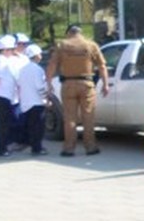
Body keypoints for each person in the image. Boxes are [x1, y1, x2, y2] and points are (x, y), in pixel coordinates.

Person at [46, 24, 109, 157]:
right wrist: (105, 84)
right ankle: (90, 148)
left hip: (68, 84)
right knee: (88, 117)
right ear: (81, 33)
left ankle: (68, 149)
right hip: (86, 84)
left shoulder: (62, 45)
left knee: (70, 118)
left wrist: (49, 82)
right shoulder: (91, 45)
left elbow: (52, 64)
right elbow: (102, 66)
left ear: (69, 33)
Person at [16, 43, 48, 155]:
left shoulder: (22, 69)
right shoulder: (37, 70)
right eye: (39, 54)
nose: (41, 56)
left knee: (31, 126)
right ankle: (37, 148)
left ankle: (34, 146)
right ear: (36, 55)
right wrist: (46, 100)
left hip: (26, 103)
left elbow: (19, 85)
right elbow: (40, 87)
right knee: (38, 127)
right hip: (36, 102)